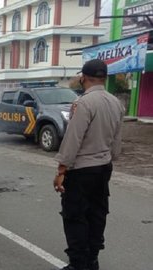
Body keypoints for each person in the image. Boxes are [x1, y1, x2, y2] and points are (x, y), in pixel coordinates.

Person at [53, 59, 125, 270]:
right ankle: (92, 259)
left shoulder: (83, 103)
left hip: (82, 169)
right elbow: (116, 140)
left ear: (83, 77)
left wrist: (61, 169)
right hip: (104, 167)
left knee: (75, 215)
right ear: (105, 78)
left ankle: (78, 264)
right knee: (97, 213)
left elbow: (73, 138)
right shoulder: (116, 102)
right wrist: (109, 158)